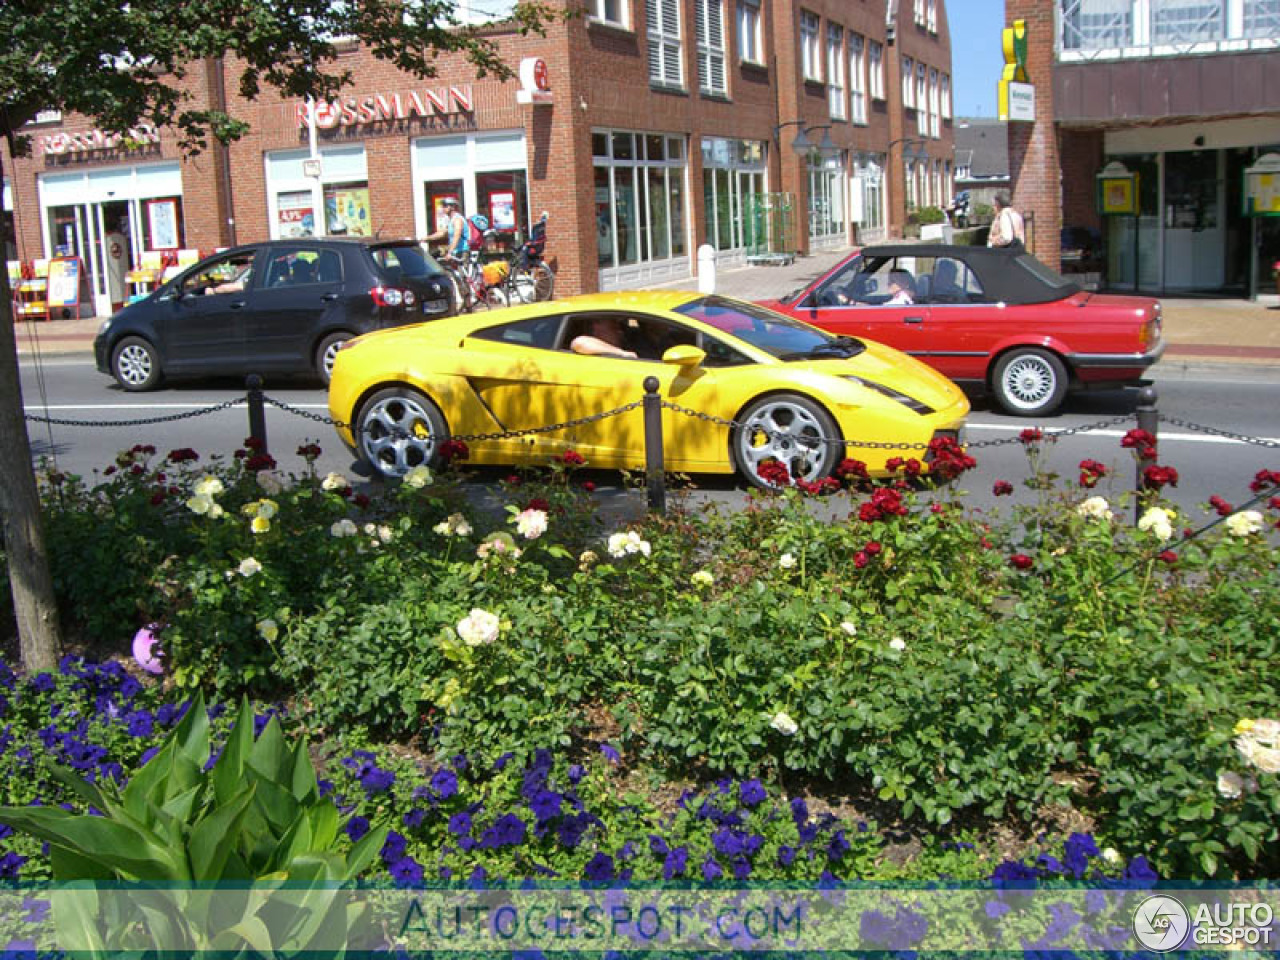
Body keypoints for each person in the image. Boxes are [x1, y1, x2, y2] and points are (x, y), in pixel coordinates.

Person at [423, 197, 469, 264]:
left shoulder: (457, 220)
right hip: (455, 251)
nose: (443, 208)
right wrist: (426, 238)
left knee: (461, 273)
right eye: (442, 206)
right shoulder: (451, 220)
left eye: (445, 206)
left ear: (452, 207)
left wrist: (450, 252)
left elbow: (457, 236)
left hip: (462, 252)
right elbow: (442, 233)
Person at [571, 316, 638, 359]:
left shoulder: (629, 341)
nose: (619, 331)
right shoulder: (592, 346)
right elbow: (579, 343)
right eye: (613, 327)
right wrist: (622, 353)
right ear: (596, 326)